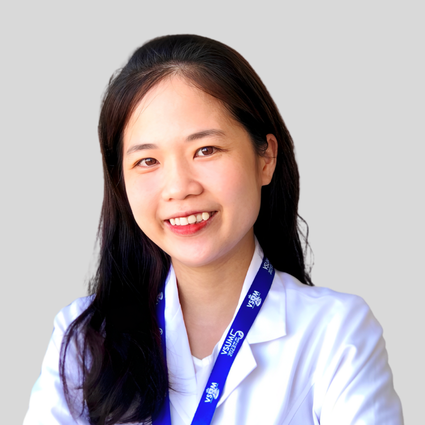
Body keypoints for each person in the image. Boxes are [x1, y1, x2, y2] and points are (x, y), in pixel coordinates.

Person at [23, 34, 403, 425]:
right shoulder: (84, 339)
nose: (179, 187)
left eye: (206, 150)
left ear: (266, 158)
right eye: (147, 161)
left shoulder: (336, 333)